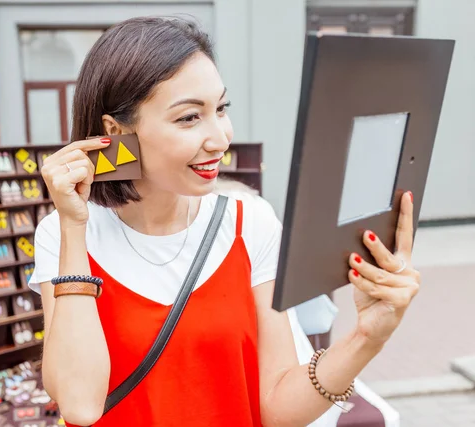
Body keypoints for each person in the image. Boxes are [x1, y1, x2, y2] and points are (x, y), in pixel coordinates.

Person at [28, 16, 421, 427]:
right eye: (188, 118)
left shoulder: (250, 223)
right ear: (115, 131)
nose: (220, 138)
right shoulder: (64, 234)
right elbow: (79, 406)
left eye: (220, 109)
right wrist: (73, 228)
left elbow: (276, 409)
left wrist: (366, 337)